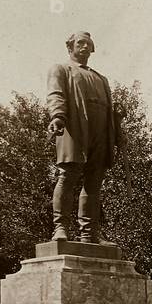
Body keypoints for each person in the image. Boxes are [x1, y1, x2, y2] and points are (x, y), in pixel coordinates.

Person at [46, 31, 120, 244]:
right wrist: (58, 115)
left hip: (101, 131)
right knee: (68, 175)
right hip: (76, 127)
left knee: (94, 182)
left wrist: (116, 129)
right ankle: (60, 228)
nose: (85, 46)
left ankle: (89, 234)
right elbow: (55, 94)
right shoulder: (61, 69)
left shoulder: (100, 78)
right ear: (70, 47)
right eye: (80, 43)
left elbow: (108, 108)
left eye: (88, 43)